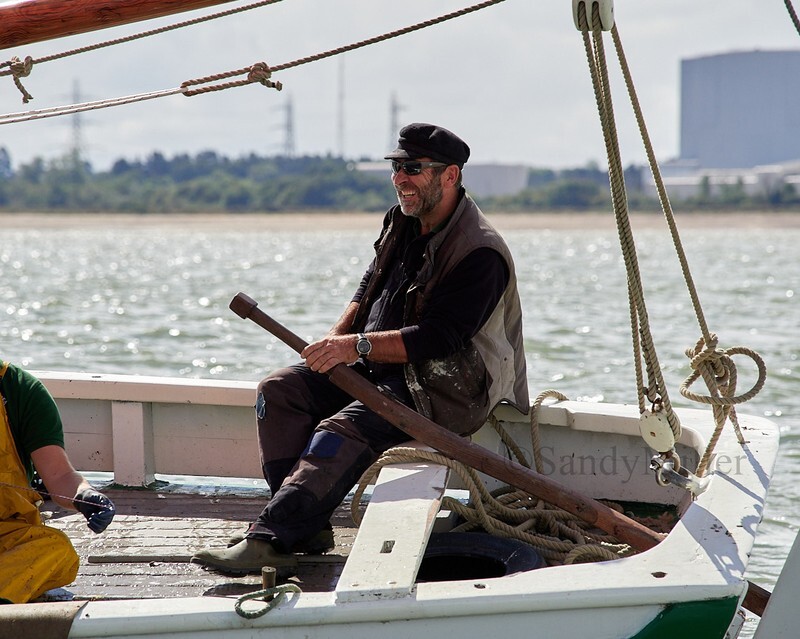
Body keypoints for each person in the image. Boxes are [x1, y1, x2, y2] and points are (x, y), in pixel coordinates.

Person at [192, 122, 529, 576]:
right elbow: (370, 285)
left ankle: (269, 539)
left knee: (343, 429)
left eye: (412, 169)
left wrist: (355, 347)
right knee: (280, 390)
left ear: (450, 176)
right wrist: (334, 343)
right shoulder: (403, 219)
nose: (400, 179)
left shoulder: (480, 253)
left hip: (446, 388)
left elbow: (438, 339)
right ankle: (304, 528)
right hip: (378, 365)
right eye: (396, 168)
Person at [0, 358, 116, 604]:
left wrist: (85, 497)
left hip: (7, 532)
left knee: (55, 548)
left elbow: (60, 476)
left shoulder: (20, 389)